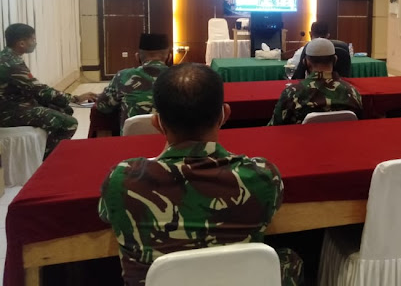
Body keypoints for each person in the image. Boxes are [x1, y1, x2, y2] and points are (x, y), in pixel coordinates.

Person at [99, 63, 303, 285]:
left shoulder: (123, 180)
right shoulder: (263, 177)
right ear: (224, 115)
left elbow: (106, 214)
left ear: (157, 122)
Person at [0, 23, 96, 156]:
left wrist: (64, 101)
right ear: (21, 43)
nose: (35, 42)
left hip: (16, 103)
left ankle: (44, 148)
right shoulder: (12, 64)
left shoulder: (7, 57)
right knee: (69, 123)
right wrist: (75, 98)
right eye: (33, 39)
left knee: (64, 109)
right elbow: (39, 90)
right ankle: (47, 158)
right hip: (9, 111)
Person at [269, 38, 363, 125]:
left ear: (306, 62)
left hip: (301, 138)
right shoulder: (352, 92)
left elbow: (274, 127)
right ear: (335, 60)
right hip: (342, 138)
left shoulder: (292, 93)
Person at [93, 33, 171, 135]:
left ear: (137, 57)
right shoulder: (182, 78)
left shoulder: (123, 76)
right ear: (169, 57)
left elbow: (102, 106)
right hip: (172, 141)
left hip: (131, 141)